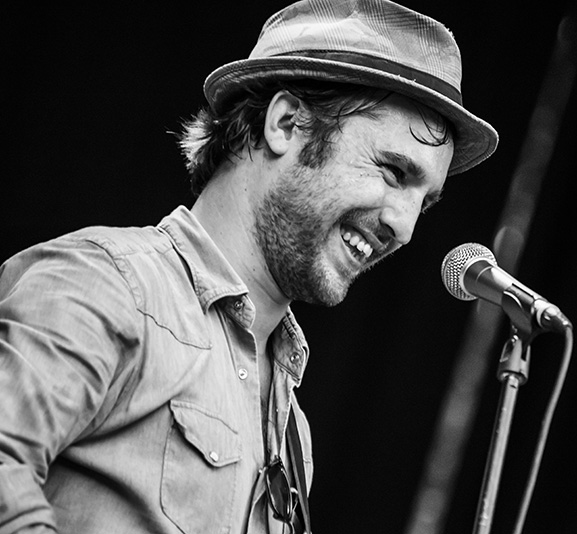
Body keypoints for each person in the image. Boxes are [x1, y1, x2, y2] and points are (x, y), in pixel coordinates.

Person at [0, 0, 497, 532]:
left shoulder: (292, 433)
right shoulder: (109, 285)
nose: (405, 227)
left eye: (424, 202)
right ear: (286, 123)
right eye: (394, 171)